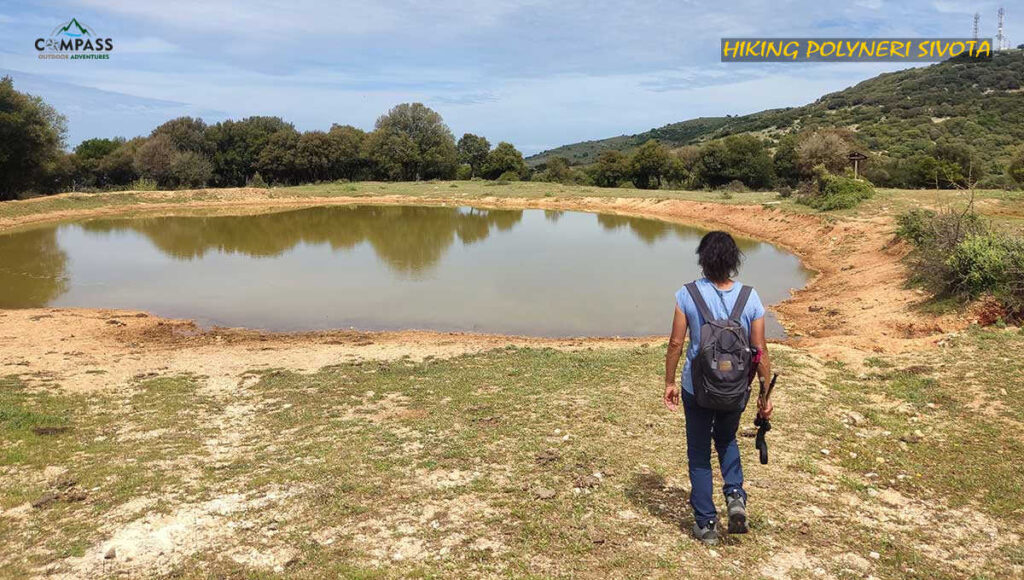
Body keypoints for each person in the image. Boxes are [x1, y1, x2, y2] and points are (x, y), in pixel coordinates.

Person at [663, 230, 773, 546]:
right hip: (736, 389)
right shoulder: (750, 297)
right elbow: (760, 349)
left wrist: (669, 382)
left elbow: (675, 343)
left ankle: (707, 523)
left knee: (698, 451)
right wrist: (764, 395)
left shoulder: (687, 295)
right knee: (726, 439)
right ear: (734, 260)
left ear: (703, 259)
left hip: (696, 388)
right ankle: (735, 495)